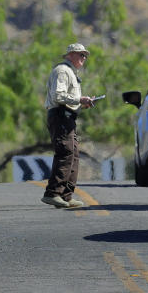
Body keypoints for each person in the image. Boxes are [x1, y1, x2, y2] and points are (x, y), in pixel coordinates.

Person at [41, 43, 94, 208]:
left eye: (85, 55)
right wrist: (80, 100)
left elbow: (67, 98)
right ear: (70, 54)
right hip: (60, 116)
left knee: (73, 155)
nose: (83, 58)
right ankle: (53, 193)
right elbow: (59, 96)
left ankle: (65, 195)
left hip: (67, 117)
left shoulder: (71, 72)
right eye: (80, 55)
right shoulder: (63, 71)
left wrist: (81, 103)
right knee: (65, 152)